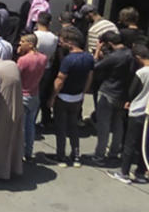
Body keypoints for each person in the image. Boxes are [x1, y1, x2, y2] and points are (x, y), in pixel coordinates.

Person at [49, 26, 94, 167]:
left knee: (61, 127)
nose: (60, 43)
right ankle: (76, 156)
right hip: (77, 97)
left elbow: (59, 80)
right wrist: (83, 94)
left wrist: (52, 97)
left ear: (70, 42)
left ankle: (60, 156)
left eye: (62, 41)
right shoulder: (89, 57)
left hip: (63, 97)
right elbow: (89, 78)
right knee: (73, 127)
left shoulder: (68, 60)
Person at [107, 43, 149, 184]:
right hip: (148, 114)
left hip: (138, 111)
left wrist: (127, 101)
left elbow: (132, 91)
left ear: (138, 57)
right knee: (145, 144)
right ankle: (140, 173)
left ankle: (124, 172)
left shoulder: (141, 73)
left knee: (129, 143)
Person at [92, 30, 133, 165]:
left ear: (109, 43)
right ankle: (114, 153)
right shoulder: (130, 54)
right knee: (118, 125)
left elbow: (95, 66)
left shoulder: (113, 57)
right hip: (123, 94)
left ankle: (99, 156)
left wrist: (97, 52)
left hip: (108, 91)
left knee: (103, 126)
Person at [0, 51, 24, 180]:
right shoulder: (12, 64)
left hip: (4, 109)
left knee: (0, 141)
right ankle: (15, 167)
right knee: (15, 139)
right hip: (17, 105)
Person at [16, 33, 48, 161]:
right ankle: (28, 152)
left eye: (22, 41)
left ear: (30, 44)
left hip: (23, 95)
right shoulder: (43, 58)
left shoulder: (23, 60)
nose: (20, 43)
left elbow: (16, 76)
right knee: (30, 125)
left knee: (21, 127)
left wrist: (19, 55)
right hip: (35, 94)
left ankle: (19, 153)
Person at [34, 12, 59, 126]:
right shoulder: (54, 38)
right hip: (47, 67)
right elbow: (53, 56)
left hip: (34, 68)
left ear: (38, 21)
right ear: (50, 23)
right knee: (41, 95)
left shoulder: (34, 35)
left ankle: (30, 120)